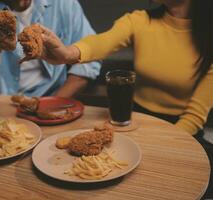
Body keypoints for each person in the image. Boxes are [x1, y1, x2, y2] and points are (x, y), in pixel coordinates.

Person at [39, 0, 213, 197]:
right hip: (135, 121)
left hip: (182, 131)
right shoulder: (139, 20)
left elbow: (195, 116)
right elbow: (101, 41)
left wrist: (160, 148)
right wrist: (68, 53)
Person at [0, 0, 101, 97]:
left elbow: (90, 62)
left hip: (52, 99)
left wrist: (54, 103)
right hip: (0, 107)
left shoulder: (64, 4)